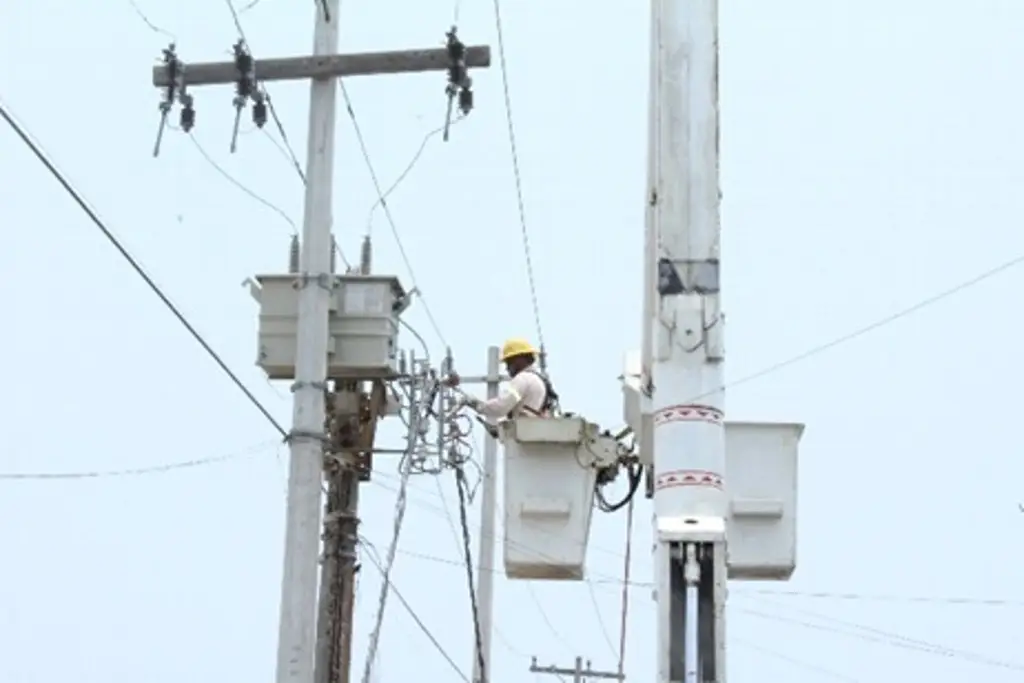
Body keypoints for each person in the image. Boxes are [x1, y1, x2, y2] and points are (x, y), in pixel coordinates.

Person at [446, 338, 559, 421]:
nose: (507, 368)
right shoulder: (537, 380)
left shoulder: (523, 379)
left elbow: (501, 406)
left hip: (523, 443)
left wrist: (475, 403)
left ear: (519, 359)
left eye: (509, 362)